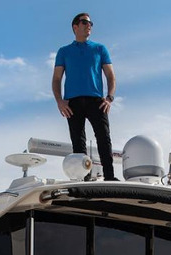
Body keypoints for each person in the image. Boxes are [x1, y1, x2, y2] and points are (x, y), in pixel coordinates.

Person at [52, 12, 118, 181]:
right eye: (84, 22)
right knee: (78, 142)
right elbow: (57, 78)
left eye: (90, 23)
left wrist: (109, 98)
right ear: (75, 27)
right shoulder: (64, 51)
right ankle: (84, 179)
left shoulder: (100, 49)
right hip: (72, 103)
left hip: (96, 101)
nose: (89, 25)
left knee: (103, 138)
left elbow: (111, 76)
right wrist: (59, 101)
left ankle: (110, 177)